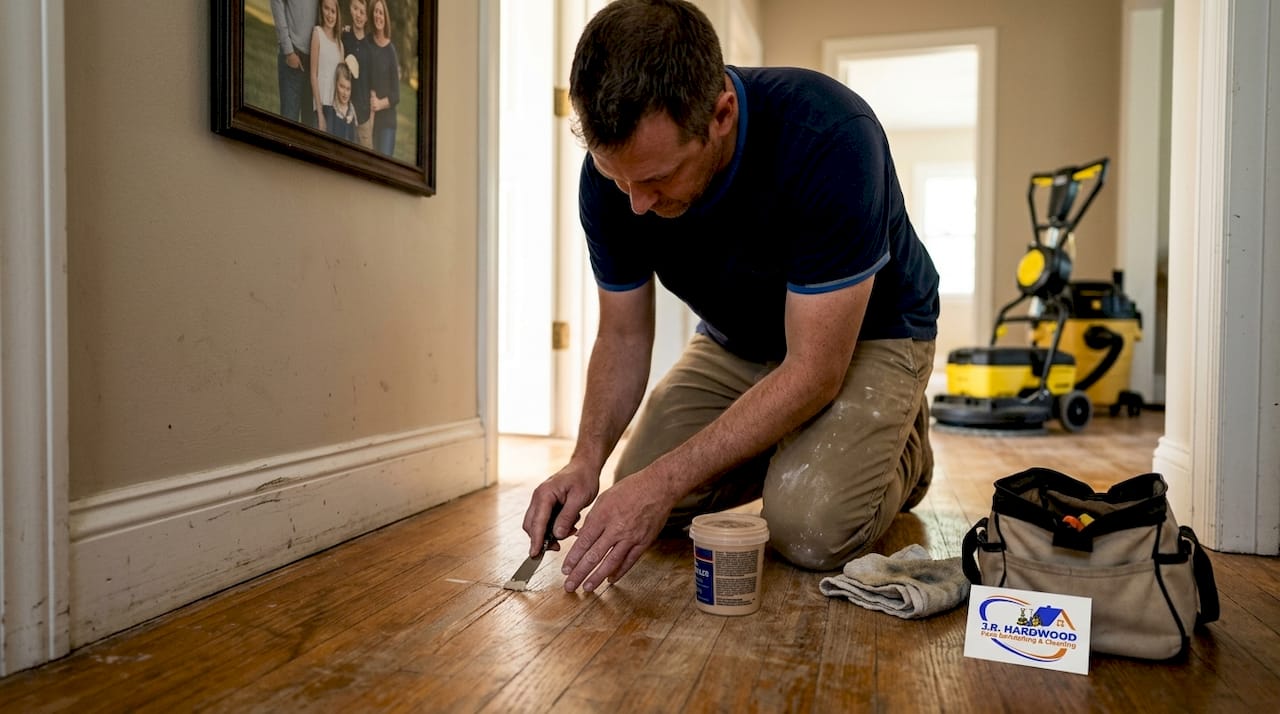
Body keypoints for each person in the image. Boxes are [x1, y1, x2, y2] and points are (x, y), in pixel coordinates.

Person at [521, 0, 940, 594]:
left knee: (810, 529)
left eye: (657, 178)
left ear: (721, 115)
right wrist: (585, 459)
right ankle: (805, 444)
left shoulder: (831, 136)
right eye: (620, 179)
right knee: (636, 490)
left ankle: (905, 450)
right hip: (738, 339)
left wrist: (673, 477)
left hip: (868, 335)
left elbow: (816, 369)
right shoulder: (615, 179)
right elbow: (622, 333)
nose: (636, 203)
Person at [270, 0, 320, 127]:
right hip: (294, 55)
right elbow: (277, 3)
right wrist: (288, 51)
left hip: (315, 63)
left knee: (311, 130)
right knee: (288, 125)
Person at [367, 0, 400, 157]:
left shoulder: (390, 51)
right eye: (375, 11)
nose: (378, 15)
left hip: (387, 122)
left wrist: (379, 104)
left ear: (385, 17)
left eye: (381, 12)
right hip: (368, 119)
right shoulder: (367, 42)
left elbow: (396, 95)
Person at [341, 0, 375, 149]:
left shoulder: (370, 48)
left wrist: (371, 118)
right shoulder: (344, 37)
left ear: (367, 17)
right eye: (356, 9)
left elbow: (373, 86)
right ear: (350, 9)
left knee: (366, 154)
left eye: (363, 12)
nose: (359, 15)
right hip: (344, 109)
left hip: (364, 115)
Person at [309, 0, 344, 134]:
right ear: (321, 10)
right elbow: (313, 76)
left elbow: (341, 80)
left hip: (335, 109)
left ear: (337, 14)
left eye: (333, 11)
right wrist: (319, 113)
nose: (330, 15)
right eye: (326, 9)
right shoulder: (317, 34)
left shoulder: (340, 45)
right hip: (321, 105)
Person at [324, 61, 359, 142]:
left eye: (348, 89)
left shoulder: (351, 111)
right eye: (342, 86)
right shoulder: (331, 110)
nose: (345, 93)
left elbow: (355, 140)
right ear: (336, 84)